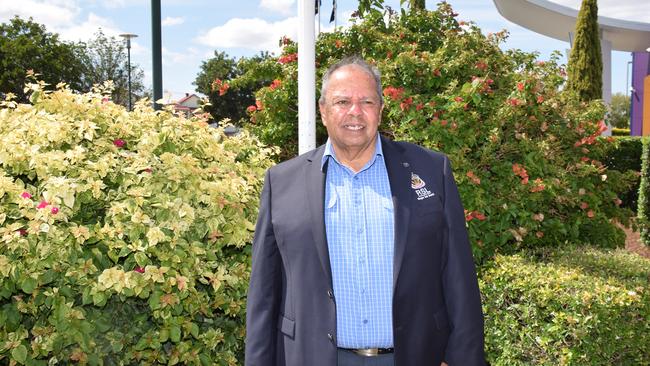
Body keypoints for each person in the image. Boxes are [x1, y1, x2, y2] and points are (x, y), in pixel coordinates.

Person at [245, 56, 485, 366]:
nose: (355, 112)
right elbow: (264, 294)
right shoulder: (281, 182)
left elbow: (459, 277)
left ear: (381, 110)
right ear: (323, 111)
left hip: (414, 355)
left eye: (367, 101)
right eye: (342, 101)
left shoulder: (431, 169)